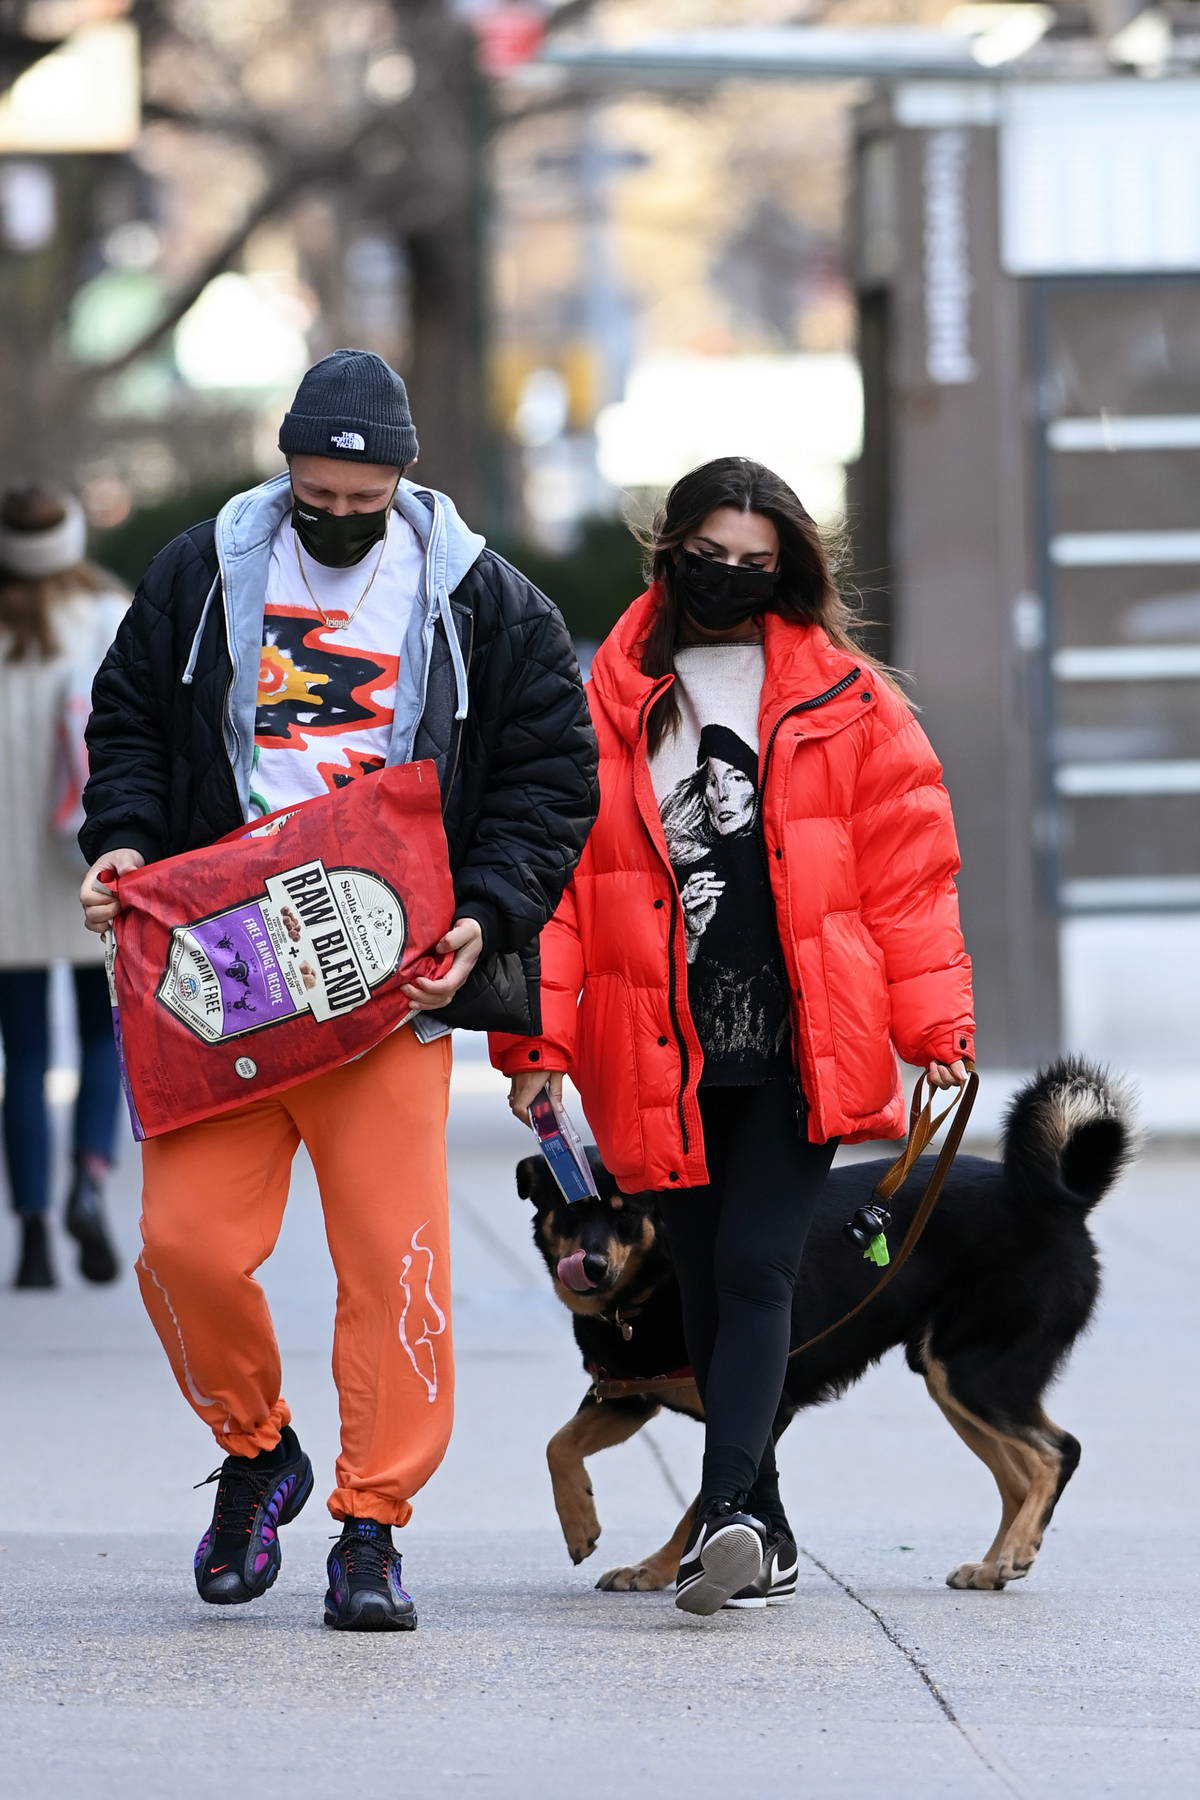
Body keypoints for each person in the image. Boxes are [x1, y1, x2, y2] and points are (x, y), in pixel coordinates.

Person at [79, 350, 598, 1630]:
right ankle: (259, 1451)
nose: (342, 521)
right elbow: (130, 721)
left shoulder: (484, 598)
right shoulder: (201, 573)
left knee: (396, 1266)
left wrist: (490, 911)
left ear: (405, 482)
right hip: (228, 969)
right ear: (287, 470)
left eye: (366, 506)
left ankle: (372, 1527)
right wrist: (125, 842)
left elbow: (550, 773)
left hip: (389, 977)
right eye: (319, 497)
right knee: (182, 1245)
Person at [493, 457, 974, 1618]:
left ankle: (733, 1515)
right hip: (654, 1041)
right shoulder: (593, 698)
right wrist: (536, 1044)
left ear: (790, 568)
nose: (734, 578)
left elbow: (910, 881)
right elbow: (559, 883)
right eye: (714, 555)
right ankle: (770, 1525)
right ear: (670, 552)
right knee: (703, 1276)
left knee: (758, 1266)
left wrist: (938, 1025)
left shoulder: (852, 700)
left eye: (760, 563)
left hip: (802, 1039)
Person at [0, 486, 128, 1290]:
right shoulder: (108, 614)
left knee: (24, 1056)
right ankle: (89, 1179)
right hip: (91, 868)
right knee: (100, 1038)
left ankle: (36, 1232)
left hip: (5, 887)